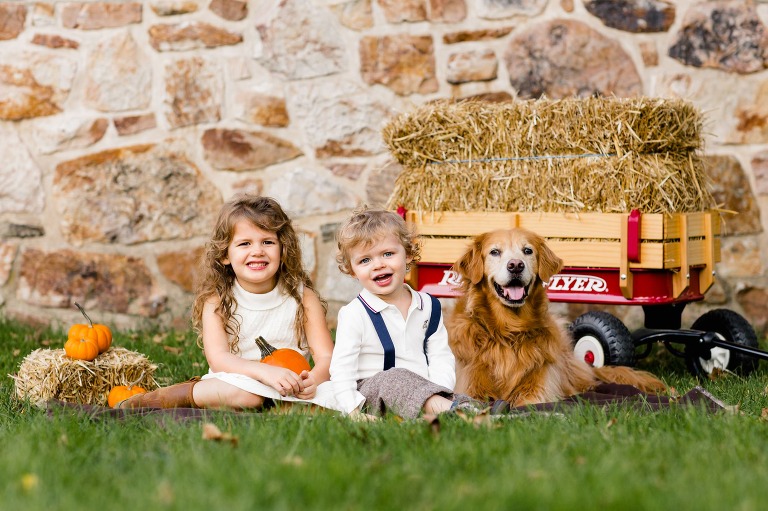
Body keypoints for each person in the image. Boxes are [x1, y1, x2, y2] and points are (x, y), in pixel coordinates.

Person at [117, 194, 337, 411]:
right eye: (244, 243)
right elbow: (219, 358)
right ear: (225, 254)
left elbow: (326, 356)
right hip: (237, 382)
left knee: (337, 396)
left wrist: (313, 381)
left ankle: (275, 407)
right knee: (248, 396)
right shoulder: (218, 300)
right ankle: (155, 400)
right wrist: (264, 372)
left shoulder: (303, 298)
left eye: (268, 242)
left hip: (291, 387)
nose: (257, 251)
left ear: (283, 249)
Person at [330, 207, 493, 419]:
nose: (378, 265)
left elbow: (440, 356)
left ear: (407, 254)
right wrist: (353, 411)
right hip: (373, 393)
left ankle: (481, 411)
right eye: (365, 260)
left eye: (388, 254)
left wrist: (438, 390)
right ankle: (453, 412)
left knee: (460, 396)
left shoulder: (428, 306)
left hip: (423, 390)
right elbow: (342, 370)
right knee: (395, 378)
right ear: (352, 270)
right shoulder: (354, 313)